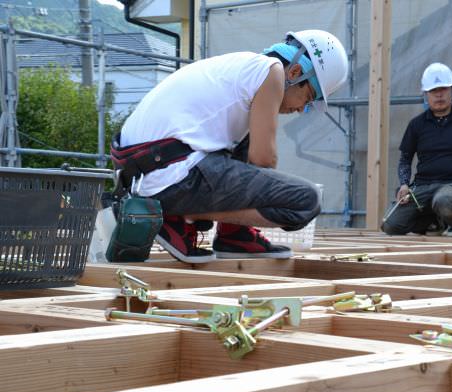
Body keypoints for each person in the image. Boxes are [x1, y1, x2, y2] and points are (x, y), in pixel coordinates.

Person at [112, 30, 348, 263]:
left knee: (244, 138)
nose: (300, 109)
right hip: (169, 177)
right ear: (295, 72)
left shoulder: (242, 69)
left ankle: (235, 235)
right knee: (306, 201)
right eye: (307, 99)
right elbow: (263, 159)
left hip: (146, 170)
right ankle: (177, 216)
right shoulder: (272, 72)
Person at [381, 62, 452, 237]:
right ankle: (434, 222)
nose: (438, 94)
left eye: (443, 89)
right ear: (425, 94)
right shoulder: (416, 124)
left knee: (445, 201)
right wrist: (404, 184)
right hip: (423, 185)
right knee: (391, 226)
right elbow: (405, 158)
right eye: (433, 91)